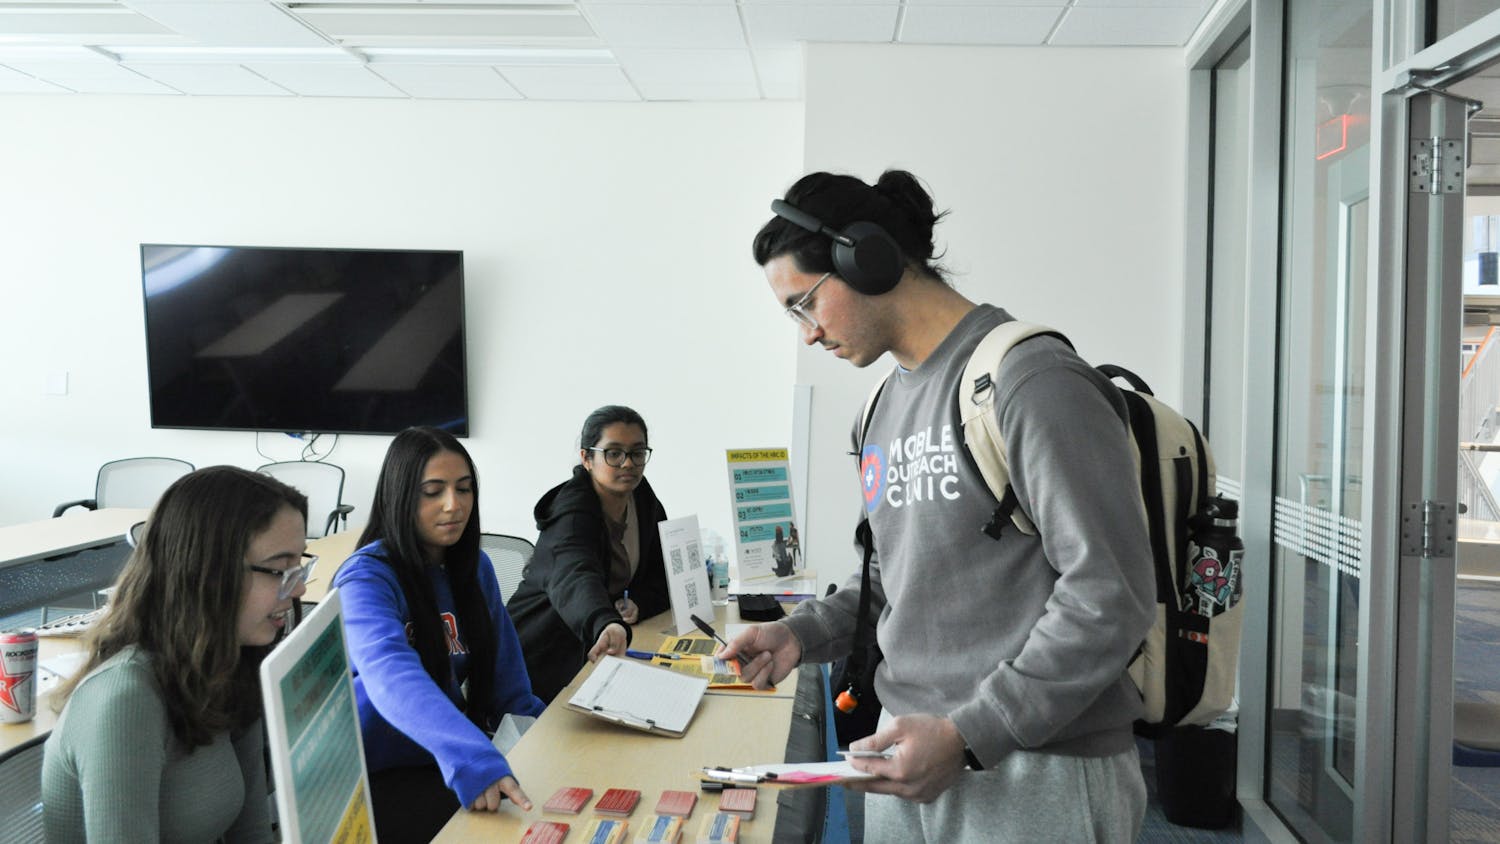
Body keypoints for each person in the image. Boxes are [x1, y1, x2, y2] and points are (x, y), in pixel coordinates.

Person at [720, 170, 1157, 843]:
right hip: (909, 753)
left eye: (806, 304)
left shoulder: (1030, 382)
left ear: (864, 259)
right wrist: (798, 635)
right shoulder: (879, 408)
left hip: (1037, 768)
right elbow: (888, 580)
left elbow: (1110, 594)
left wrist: (970, 734)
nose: (807, 334)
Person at [42, 466, 311, 842]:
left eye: (300, 566)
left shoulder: (233, 663)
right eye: (280, 569)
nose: (297, 590)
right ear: (208, 571)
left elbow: (250, 833)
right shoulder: (125, 700)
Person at [333, 426, 545, 843]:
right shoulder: (366, 578)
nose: (454, 505)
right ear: (400, 496)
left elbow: (508, 683)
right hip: (372, 776)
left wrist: (546, 738)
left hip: (442, 760)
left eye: (464, 489)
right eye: (433, 491)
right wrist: (472, 758)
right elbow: (391, 675)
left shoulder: (474, 567)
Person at [507, 405, 670, 703]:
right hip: (540, 658)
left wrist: (641, 603)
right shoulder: (570, 514)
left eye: (637, 453)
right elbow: (574, 574)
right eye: (613, 453)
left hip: (596, 648)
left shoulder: (642, 498)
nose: (627, 464)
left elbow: (661, 572)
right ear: (587, 458)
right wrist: (603, 621)